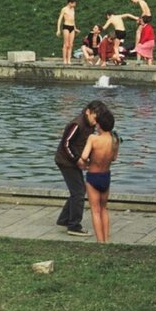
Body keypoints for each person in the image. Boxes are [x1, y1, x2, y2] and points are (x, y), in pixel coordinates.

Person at [54, 99, 108, 236]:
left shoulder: (89, 124)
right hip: (66, 162)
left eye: (97, 121)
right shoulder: (77, 124)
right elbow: (66, 143)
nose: (95, 123)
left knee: (77, 190)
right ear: (87, 112)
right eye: (94, 119)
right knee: (78, 192)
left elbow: (83, 144)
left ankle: (64, 219)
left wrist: (87, 159)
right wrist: (77, 159)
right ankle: (74, 226)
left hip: (73, 161)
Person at [77, 106, 119, 243]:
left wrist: (87, 162)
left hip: (93, 176)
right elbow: (114, 158)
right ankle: (106, 240)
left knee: (95, 210)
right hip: (106, 176)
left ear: (99, 124)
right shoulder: (114, 139)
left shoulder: (93, 139)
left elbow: (83, 156)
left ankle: (100, 242)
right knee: (104, 209)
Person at [56, 0, 78, 65]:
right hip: (66, 26)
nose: (75, 4)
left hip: (72, 27)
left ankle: (69, 59)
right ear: (69, 3)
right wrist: (58, 29)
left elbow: (73, 19)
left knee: (71, 45)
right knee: (66, 44)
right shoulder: (64, 9)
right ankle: (64, 59)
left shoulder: (73, 9)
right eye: (74, 3)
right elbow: (60, 19)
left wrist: (75, 28)